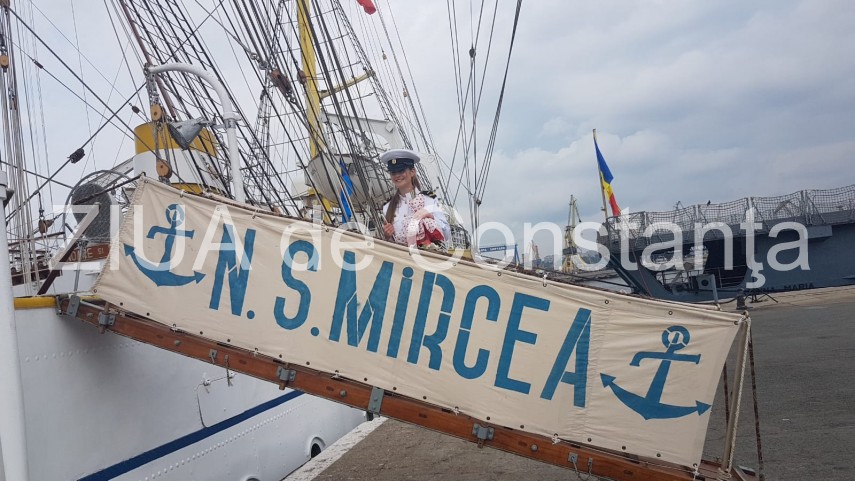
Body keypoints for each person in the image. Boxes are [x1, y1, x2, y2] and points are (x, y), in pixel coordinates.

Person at [380, 149, 451, 248]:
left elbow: (447, 234)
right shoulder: (387, 207)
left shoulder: (429, 199)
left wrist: (431, 217)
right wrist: (387, 236)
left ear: (412, 172)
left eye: (401, 170)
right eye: (393, 172)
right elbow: (389, 245)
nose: (397, 175)